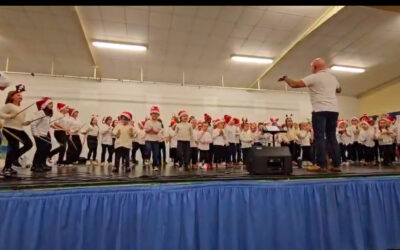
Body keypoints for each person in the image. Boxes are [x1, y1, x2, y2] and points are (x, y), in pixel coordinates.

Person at [278, 57, 342, 172]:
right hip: (334, 111)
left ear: (315, 67)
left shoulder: (314, 77)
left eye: (311, 66)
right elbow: (339, 89)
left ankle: (321, 165)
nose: (311, 68)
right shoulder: (333, 78)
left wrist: (286, 78)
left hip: (320, 110)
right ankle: (336, 165)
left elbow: (294, 84)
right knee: (332, 137)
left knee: (319, 137)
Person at [0, 86, 33, 175]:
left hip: (19, 129)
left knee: (27, 145)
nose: (20, 96)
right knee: (18, 147)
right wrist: (9, 116)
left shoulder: (21, 108)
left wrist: (26, 123)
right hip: (9, 129)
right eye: (18, 95)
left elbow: (20, 122)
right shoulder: (9, 106)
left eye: (20, 95)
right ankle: (7, 167)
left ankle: (9, 166)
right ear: (12, 97)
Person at [30, 97, 53, 172]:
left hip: (44, 134)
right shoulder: (40, 113)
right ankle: (35, 165)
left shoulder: (47, 114)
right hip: (39, 135)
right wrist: (35, 134)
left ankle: (42, 164)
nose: (52, 105)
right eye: (50, 103)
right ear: (44, 105)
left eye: (52, 103)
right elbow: (33, 124)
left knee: (46, 149)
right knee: (40, 150)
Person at [144, 106, 163, 171]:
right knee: (148, 149)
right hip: (148, 139)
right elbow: (146, 130)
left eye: (156, 114)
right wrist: (150, 130)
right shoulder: (147, 122)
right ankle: (147, 159)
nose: (155, 115)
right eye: (153, 114)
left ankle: (155, 165)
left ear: (158, 115)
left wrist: (154, 131)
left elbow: (158, 131)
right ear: (151, 114)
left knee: (156, 153)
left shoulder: (159, 123)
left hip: (156, 140)